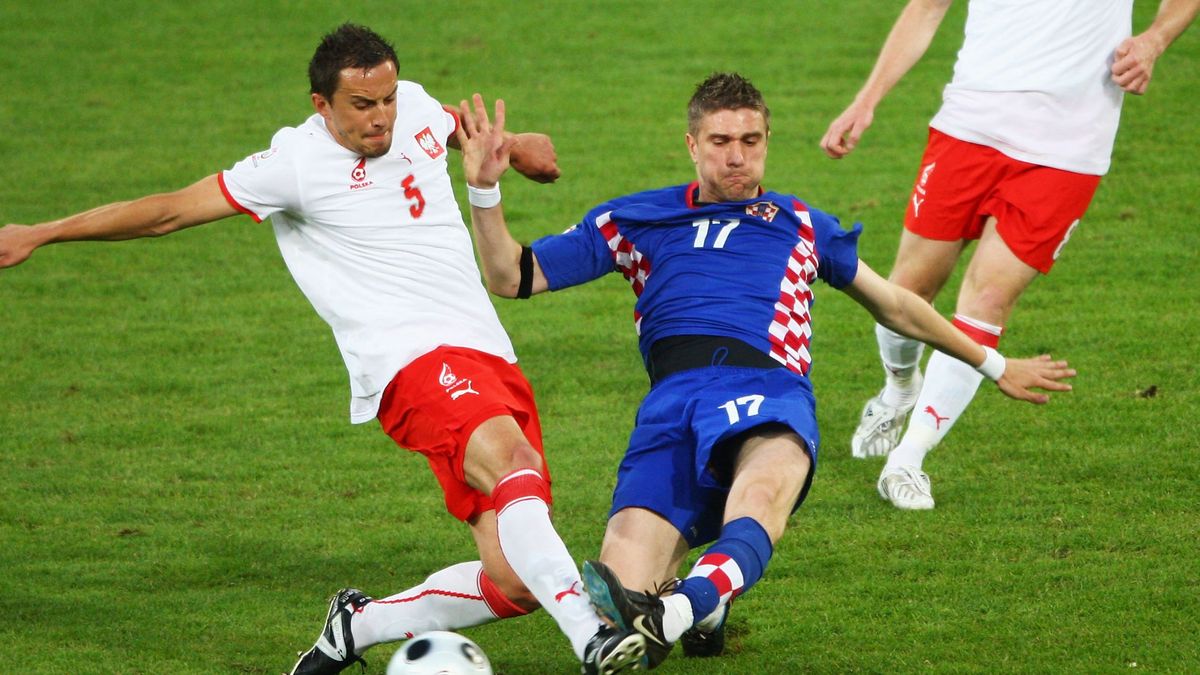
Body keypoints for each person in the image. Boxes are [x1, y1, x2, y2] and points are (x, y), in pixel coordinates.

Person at [0, 23, 648, 675]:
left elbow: (452, 128)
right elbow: (168, 211)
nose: (381, 117)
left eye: (387, 98)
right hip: (409, 361)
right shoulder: (293, 166)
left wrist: (515, 147)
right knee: (514, 462)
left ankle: (360, 623)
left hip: (487, 352)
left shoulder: (414, 105)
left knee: (511, 579)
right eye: (362, 106)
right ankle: (591, 633)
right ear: (321, 105)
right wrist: (44, 231)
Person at [451, 73, 1074, 669]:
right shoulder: (632, 220)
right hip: (673, 406)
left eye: (750, 142)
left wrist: (994, 363)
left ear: (766, 143)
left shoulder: (800, 222)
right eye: (721, 142)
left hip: (768, 388)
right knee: (619, 615)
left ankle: (688, 604)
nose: (736, 158)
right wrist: (484, 190)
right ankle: (700, 606)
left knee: (759, 493)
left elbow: (896, 304)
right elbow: (512, 275)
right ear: (692, 145)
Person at [820, 0, 1199, 510]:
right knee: (909, 288)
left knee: (989, 298)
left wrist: (1155, 39)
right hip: (970, 122)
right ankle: (899, 388)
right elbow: (928, 8)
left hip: (1069, 143)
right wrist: (868, 99)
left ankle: (908, 460)